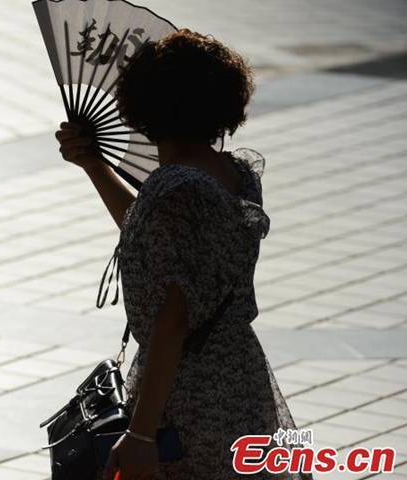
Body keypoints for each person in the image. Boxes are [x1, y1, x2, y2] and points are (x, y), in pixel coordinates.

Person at [55, 29, 313, 479]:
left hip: (185, 391)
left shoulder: (171, 189)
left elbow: (172, 318)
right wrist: (95, 165)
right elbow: (160, 241)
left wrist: (139, 434)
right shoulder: (234, 173)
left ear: (143, 108)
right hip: (238, 374)